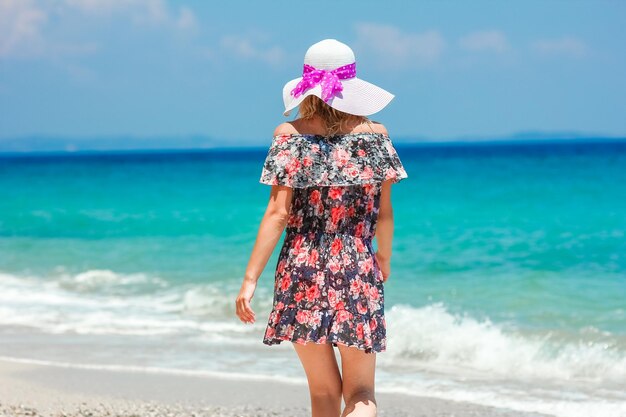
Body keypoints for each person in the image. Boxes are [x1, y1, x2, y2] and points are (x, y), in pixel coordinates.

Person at [235, 39, 408, 417]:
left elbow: (278, 214)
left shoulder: (289, 136)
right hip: (358, 265)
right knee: (361, 392)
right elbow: (384, 213)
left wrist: (250, 279)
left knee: (323, 393)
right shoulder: (376, 136)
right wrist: (383, 257)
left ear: (307, 87)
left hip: (301, 266)